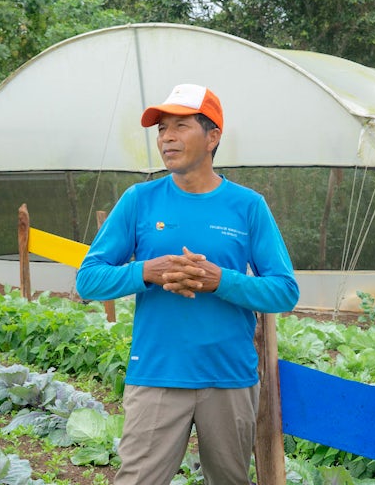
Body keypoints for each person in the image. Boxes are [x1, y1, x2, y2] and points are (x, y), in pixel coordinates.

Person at [76, 83, 299, 485]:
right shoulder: (139, 200)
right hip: (157, 375)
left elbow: (284, 291)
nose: (167, 138)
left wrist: (221, 281)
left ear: (213, 136)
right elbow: (88, 280)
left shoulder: (248, 206)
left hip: (229, 378)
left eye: (180, 126)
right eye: (161, 129)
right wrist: (147, 272)